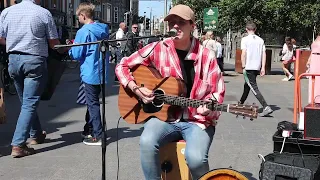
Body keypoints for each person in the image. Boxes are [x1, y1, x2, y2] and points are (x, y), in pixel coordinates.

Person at [115, 4, 225, 180]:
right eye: (171, 22)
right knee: (146, 142)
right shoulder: (158, 47)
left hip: (197, 120)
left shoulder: (207, 56)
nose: (175, 26)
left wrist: (210, 106)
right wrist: (136, 88)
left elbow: (217, 93)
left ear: (192, 26)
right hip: (164, 118)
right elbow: (123, 64)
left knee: (196, 159)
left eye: (181, 22)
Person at [0, 0, 62, 158]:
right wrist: (64, 48)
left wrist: (16, 44)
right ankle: (18, 144)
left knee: (26, 101)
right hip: (34, 61)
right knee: (29, 103)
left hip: (13, 60)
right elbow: (53, 42)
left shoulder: (7, 12)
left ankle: (36, 134)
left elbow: (1, 38)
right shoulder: (43, 13)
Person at [68, 2, 109, 145]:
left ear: (83, 15)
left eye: (78, 16)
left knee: (92, 104)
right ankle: (88, 128)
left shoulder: (83, 31)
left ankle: (98, 135)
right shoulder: (103, 29)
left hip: (90, 72)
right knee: (92, 103)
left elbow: (77, 53)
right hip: (102, 72)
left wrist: (70, 47)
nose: (77, 19)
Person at [239, 22, 273, 117]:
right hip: (256, 67)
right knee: (248, 84)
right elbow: (264, 54)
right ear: (255, 29)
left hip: (248, 66)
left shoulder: (245, 39)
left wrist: (243, 66)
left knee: (253, 87)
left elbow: (244, 53)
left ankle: (266, 107)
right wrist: (262, 67)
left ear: (246, 29)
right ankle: (241, 103)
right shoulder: (260, 40)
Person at [307, 30, 320, 104]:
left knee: (318, 79)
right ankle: (312, 98)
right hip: (314, 59)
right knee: (312, 79)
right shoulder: (316, 37)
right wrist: (309, 59)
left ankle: (318, 98)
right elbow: (312, 50)